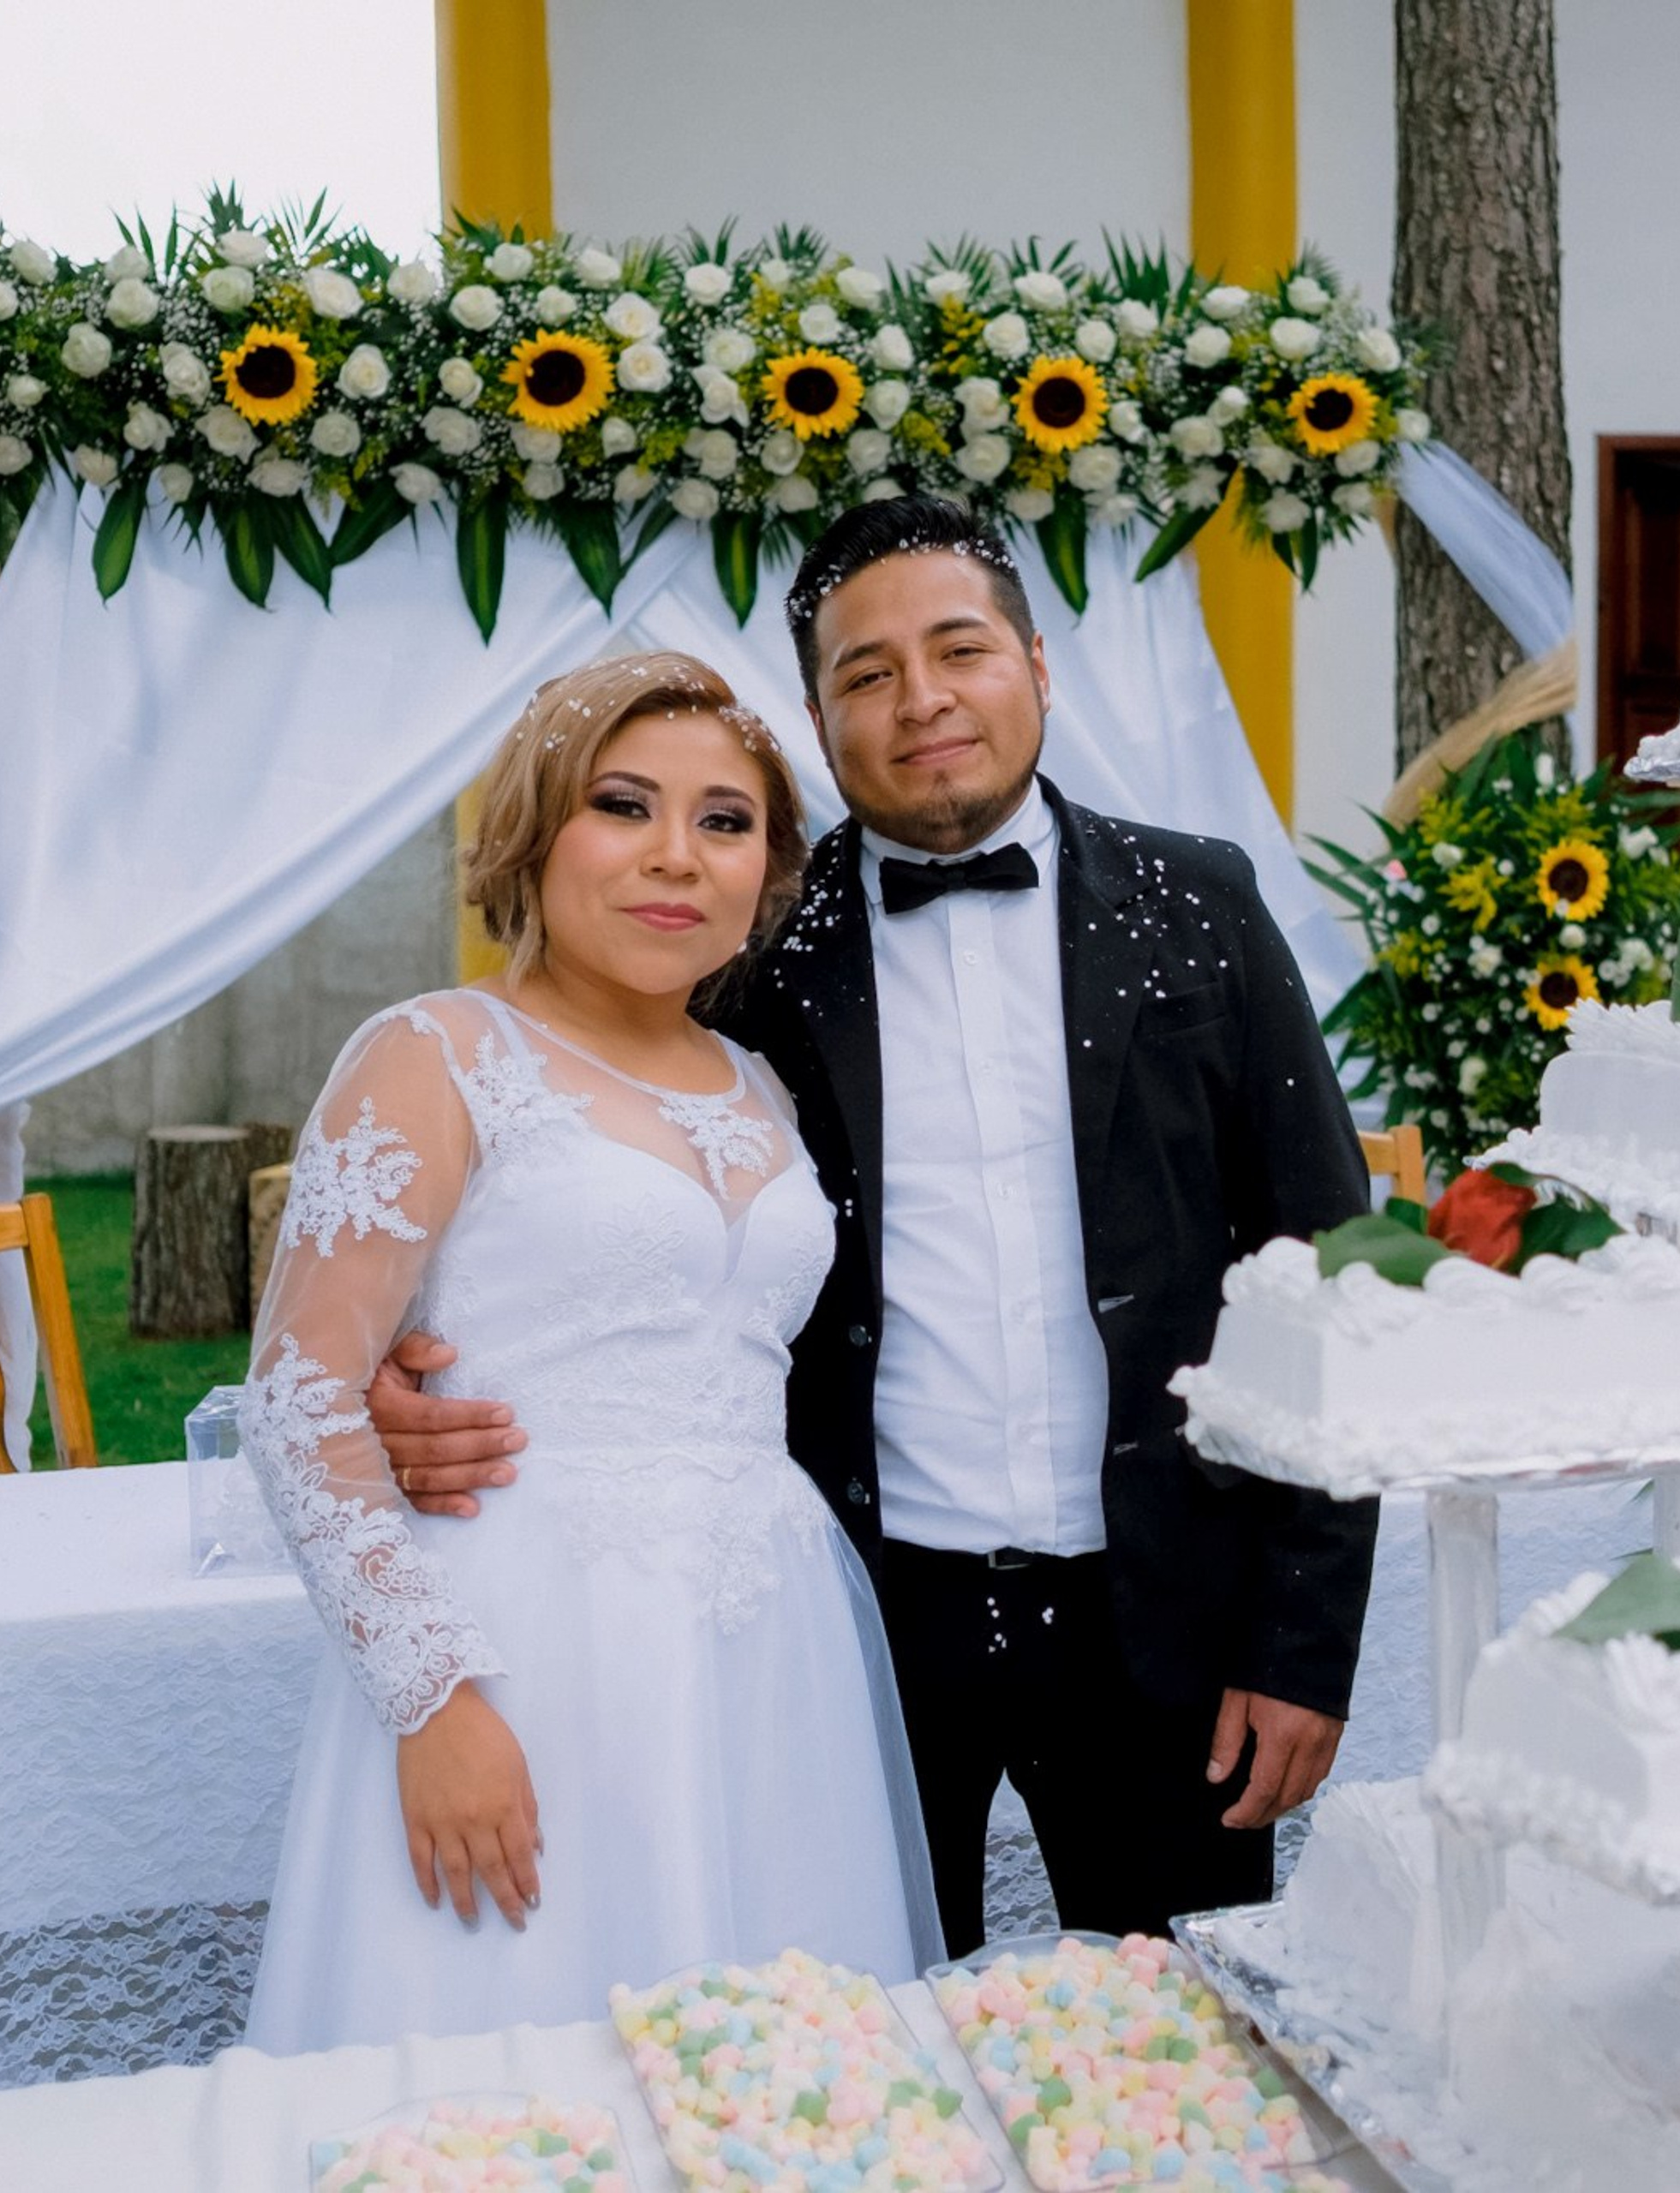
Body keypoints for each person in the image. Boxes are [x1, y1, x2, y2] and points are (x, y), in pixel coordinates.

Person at [377, 498, 1378, 1957]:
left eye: (958, 649)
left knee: (1187, 2072)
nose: (921, 701)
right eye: (866, 673)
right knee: (859, 2051)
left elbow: (1323, 1280)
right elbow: (584, 1177)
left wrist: (1303, 1642)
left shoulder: (1202, 908)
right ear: (817, 715)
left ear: (1037, 663)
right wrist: (412, 1370)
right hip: (849, 1627)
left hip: (1165, 1619)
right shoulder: (744, 944)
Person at [240, 653, 940, 2053]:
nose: (676, 856)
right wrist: (430, 1699)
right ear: (533, 832)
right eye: (625, 805)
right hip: (526, 1641)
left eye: (726, 820)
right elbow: (299, 1393)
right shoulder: (434, 1052)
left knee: (789, 2064)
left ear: (768, 867)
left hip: (771, 1636)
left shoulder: (762, 1085)